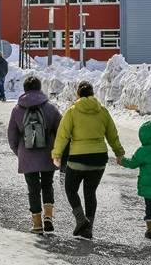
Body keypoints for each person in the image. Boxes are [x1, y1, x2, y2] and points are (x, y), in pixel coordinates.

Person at [51, 81, 125, 239]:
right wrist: (119, 152)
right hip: (99, 159)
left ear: (78, 94)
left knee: (70, 189)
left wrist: (56, 155)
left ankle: (80, 219)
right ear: (92, 94)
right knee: (90, 192)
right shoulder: (102, 111)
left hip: (78, 157)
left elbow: (62, 135)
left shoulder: (72, 111)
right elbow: (112, 134)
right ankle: (88, 227)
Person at [7, 76, 62, 234]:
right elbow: (61, 130)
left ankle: (37, 224)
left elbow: (12, 136)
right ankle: (48, 218)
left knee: (33, 189)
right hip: (47, 153)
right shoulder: (50, 108)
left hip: (27, 155)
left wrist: (19, 152)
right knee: (47, 184)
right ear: (39, 88)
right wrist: (57, 150)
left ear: (24, 90)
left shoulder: (17, 110)